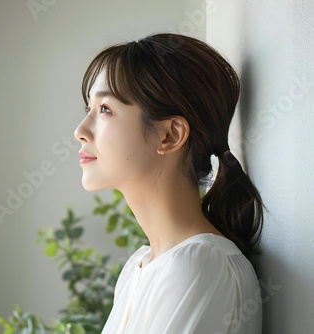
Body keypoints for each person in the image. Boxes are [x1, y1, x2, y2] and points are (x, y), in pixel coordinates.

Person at [74, 33, 263, 334]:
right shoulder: (139, 267)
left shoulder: (198, 266)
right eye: (89, 110)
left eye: (105, 109)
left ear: (170, 135)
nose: (80, 131)